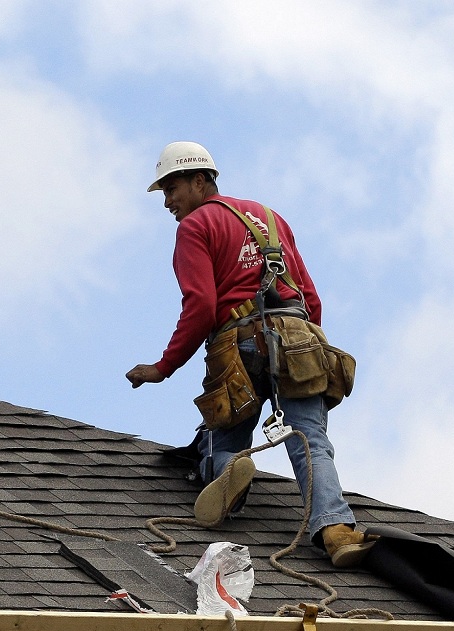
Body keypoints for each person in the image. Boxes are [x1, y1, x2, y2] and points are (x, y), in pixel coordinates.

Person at [125, 141, 371, 567]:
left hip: (237, 344)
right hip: (297, 335)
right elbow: (309, 296)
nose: (167, 201)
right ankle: (335, 529)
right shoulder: (270, 217)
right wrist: (308, 348)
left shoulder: (195, 228)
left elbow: (201, 305)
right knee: (310, 437)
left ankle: (228, 479)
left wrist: (163, 367)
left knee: (227, 439)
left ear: (200, 181)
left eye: (172, 188)